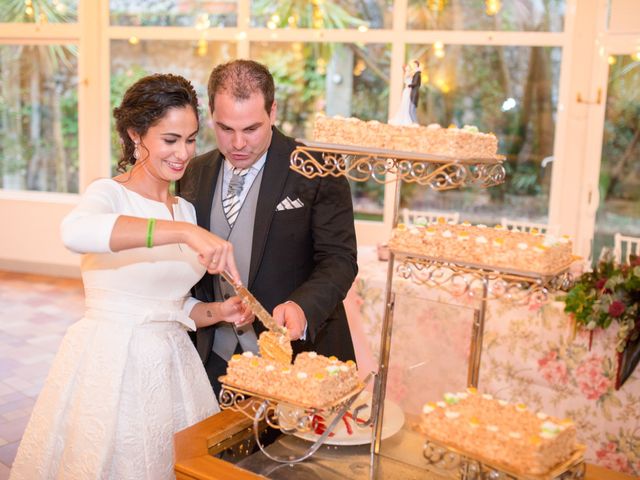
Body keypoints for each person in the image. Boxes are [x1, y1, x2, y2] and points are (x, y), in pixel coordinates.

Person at [10, 74, 253, 480]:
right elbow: (74, 232)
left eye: (191, 139)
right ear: (136, 135)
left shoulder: (185, 209)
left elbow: (171, 305)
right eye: (169, 139)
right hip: (113, 366)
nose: (183, 153)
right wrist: (180, 232)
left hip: (173, 368)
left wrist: (219, 310)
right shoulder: (109, 193)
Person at [177, 59, 358, 395]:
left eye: (251, 129)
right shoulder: (192, 173)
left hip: (296, 363)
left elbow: (339, 259)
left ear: (273, 112)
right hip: (210, 358)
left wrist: (302, 306)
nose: (238, 144)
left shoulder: (318, 169)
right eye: (225, 129)